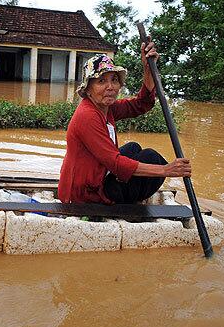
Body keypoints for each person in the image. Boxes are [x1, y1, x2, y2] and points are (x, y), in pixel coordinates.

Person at [58, 40, 192, 204]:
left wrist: (147, 68)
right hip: (84, 193)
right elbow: (115, 162)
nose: (110, 87)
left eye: (114, 80)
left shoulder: (107, 107)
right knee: (152, 157)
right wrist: (166, 169)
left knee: (133, 147)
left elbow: (140, 105)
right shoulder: (87, 115)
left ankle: (123, 189)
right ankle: (121, 204)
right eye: (101, 81)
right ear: (88, 89)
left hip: (96, 176)